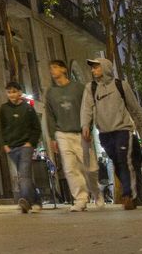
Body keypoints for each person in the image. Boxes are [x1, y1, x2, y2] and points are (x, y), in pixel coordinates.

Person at [80, 57, 142, 210]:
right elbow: (87, 108)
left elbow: (135, 107)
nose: (93, 70)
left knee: (124, 161)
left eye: (96, 67)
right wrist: (85, 125)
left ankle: (128, 195)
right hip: (104, 133)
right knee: (117, 164)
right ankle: (132, 192)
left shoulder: (121, 85)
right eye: (92, 68)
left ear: (105, 67)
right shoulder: (91, 88)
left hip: (123, 130)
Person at [44, 60, 99, 212]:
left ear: (64, 69)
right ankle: (80, 199)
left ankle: (96, 191)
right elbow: (49, 115)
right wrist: (52, 137)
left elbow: (88, 107)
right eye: (50, 68)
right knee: (70, 168)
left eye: (55, 67)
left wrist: (88, 126)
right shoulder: (51, 93)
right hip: (62, 133)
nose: (52, 71)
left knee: (90, 168)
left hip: (80, 132)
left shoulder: (78, 88)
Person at [0, 81, 41, 213]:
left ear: (20, 93)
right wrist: (5, 144)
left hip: (26, 146)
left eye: (14, 91)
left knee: (23, 175)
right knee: (25, 175)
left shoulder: (28, 108)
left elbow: (36, 128)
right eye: (9, 92)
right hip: (12, 147)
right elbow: (1, 127)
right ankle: (36, 201)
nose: (11, 95)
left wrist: (31, 143)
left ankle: (25, 200)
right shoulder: (4, 109)